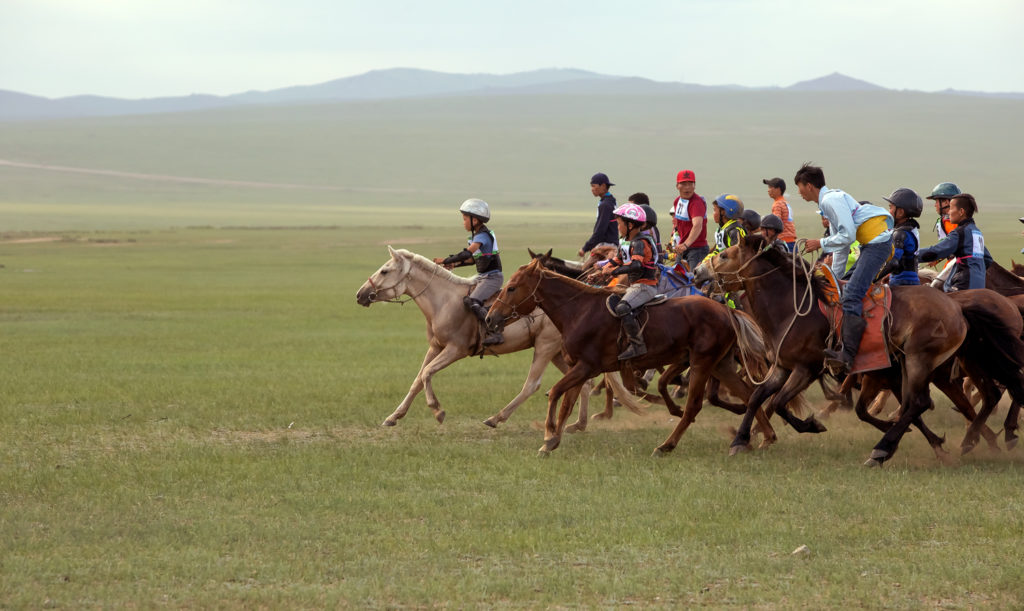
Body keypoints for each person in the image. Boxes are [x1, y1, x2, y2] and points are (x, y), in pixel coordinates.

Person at [797, 163, 893, 375]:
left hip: (876, 245)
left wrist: (819, 244)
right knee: (843, 290)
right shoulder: (828, 202)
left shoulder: (831, 201)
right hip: (872, 244)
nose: (799, 193)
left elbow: (847, 236)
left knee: (851, 296)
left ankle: (848, 356)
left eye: (800, 187)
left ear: (809, 186)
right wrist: (833, 278)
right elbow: (841, 248)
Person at [433, 198, 504, 345]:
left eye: (465, 219)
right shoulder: (474, 237)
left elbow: (467, 254)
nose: (463, 222)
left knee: (472, 301)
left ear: (475, 221)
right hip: (482, 277)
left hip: (492, 278)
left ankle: (495, 332)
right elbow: (472, 260)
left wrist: (445, 261)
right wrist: (454, 266)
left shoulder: (483, 236)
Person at [597, 203, 660, 360]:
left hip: (645, 286)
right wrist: (602, 271)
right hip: (634, 286)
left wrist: (614, 272)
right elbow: (618, 259)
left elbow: (636, 265)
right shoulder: (625, 241)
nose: (618, 227)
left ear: (630, 225)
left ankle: (637, 345)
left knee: (622, 308)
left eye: (619, 223)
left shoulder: (640, 242)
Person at [918, 194, 987, 291]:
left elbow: (935, 252)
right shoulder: (976, 232)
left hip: (963, 284)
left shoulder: (959, 233)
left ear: (961, 212)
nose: (949, 212)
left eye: (951, 208)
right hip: (980, 285)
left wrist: (911, 254)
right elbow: (988, 260)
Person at [876, 188, 923, 286]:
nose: (889, 211)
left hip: (900, 281)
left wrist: (873, 278)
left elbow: (893, 263)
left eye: (891, 207)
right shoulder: (911, 229)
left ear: (900, 212)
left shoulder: (899, 233)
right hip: (914, 280)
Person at [668, 170, 708, 271]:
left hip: (697, 249)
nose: (687, 187)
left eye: (690, 184)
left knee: (696, 282)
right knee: (676, 278)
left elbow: (697, 225)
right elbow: (679, 222)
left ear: (694, 186)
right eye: (684, 184)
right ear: (677, 186)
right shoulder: (677, 201)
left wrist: (686, 244)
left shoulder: (696, 203)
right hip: (683, 248)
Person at [578, 172, 618, 258]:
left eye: (593, 186)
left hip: (606, 245)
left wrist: (585, 248)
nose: (592, 189)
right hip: (613, 244)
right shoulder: (611, 201)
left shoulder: (605, 205)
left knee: (585, 270)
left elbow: (600, 231)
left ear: (603, 186)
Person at [763, 177, 798, 251]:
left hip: (784, 241)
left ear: (778, 189)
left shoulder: (777, 204)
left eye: (770, 187)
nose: (768, 190)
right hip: (791, 241)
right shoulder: (785, 202)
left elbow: (775, 223)